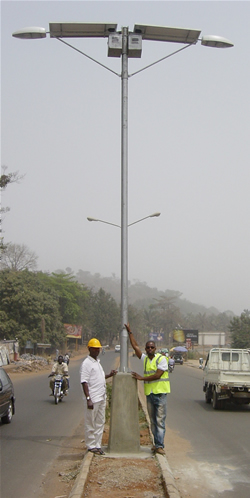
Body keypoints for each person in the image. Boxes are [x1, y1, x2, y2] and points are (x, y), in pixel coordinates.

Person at [125, 323, 170, 455]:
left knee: (160, 420)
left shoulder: (162, 359)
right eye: (148, 347)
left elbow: (157, 375)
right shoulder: (145, 359)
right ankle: (156, 444)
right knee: (153, 421)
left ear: (155, 348)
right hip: (150, 394)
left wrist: (141, 378)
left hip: (160, 394)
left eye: (152, 347)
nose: (150, 349)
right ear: (146, 349)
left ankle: (160, 445)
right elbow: (135, 346)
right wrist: (130, 332)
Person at [80, 338, 117, 455]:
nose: (97, 351)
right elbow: (84, 382)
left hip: (101, 397)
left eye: (98, 349)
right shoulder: (86, 364)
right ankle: (91, 445)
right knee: (90, 422)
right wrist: (88, 398)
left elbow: (98, 379)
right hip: (93, 398)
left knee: (100, 422)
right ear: (89, 349)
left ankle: (97, 444)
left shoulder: (97, 363)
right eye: (94, 349)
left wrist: (109, 375)